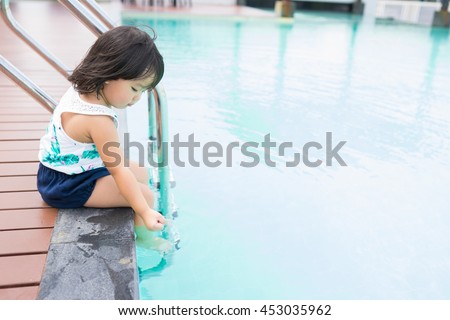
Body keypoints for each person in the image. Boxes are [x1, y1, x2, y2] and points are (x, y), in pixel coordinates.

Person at [37, 26, 170, 252]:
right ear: (110, 74)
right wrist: (145, 211)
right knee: (145, 197)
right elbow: (118, 171)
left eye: (143, 92)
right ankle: (147, 241)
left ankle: (143, 216)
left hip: (65, 169)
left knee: (142, 172)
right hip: (67, 185)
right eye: (135, 88)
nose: (137, 98)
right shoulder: (99, 121)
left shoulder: (84, 89)